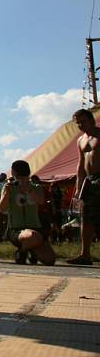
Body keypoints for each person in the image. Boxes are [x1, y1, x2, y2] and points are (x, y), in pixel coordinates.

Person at [0, 160, 55, 266]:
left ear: (13, 172)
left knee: (50, 260)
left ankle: (30, 250)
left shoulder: (36, 187)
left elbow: (41, 201)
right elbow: (2, 208)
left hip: (36, 227)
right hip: (16, 229)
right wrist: (7, 193)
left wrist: (29, 190)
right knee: (33, 236)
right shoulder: (9, 188)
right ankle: (22, 252)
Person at [67, 108, 100, 265]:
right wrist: (78, 188)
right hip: (89, 180)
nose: (80, 125)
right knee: (86, 218)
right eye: (78, 122)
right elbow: (80, 166)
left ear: (91, 120)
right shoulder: (81, 140)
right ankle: (85, 254)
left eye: (83, 121)